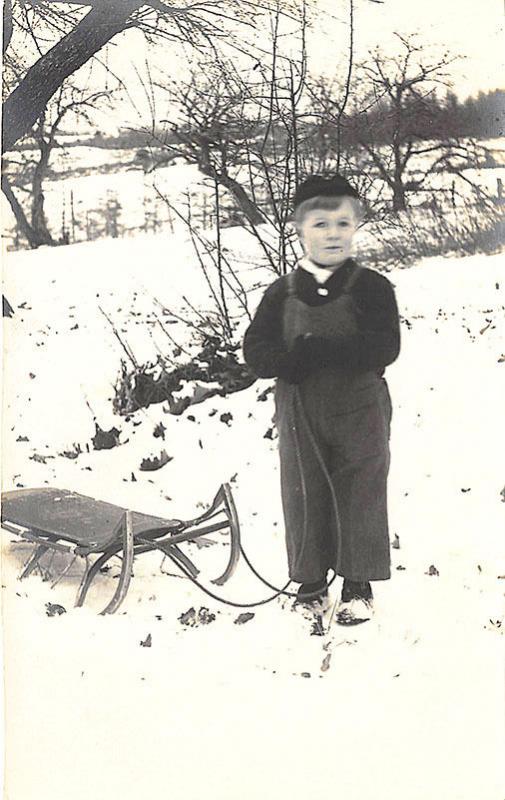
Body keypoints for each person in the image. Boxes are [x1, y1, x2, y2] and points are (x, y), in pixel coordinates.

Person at [243, 175, 400, 625]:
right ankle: (310, 585)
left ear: (356, 227)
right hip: (300, 413)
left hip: (360, 409)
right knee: (303, 491)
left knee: (361, 489)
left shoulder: (372, 287)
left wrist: (327, 352)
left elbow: (385, 347)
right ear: (299, 230)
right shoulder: (283, 291)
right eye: (320, 224)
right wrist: (286, 361)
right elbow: (255, 349)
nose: (332, 233)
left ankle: (357, 584)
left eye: (342, 223)